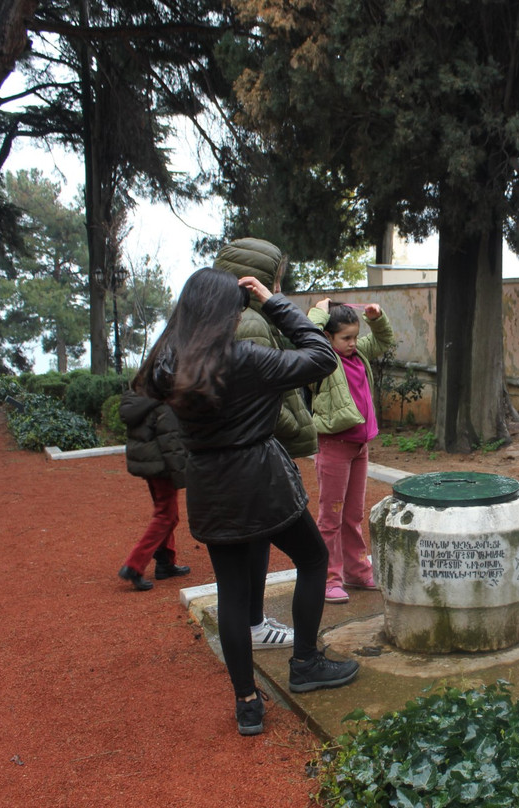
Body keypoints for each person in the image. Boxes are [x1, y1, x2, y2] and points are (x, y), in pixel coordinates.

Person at [135, 267, 358, 737]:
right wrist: (272, 301)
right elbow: (321, 356)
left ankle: (248, 704)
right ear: (229, 313)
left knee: (233, 594)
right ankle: (305, 663)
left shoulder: (168, 365)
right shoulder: (247, 359)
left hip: (212, 488)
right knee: (314, 559)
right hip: (262, 482)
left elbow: (160, 363)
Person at [213, 237, 320, 650]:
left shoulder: (225, 322)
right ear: (255, 281)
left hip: (228, 466)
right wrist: (297, 429)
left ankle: (250, 640)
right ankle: (272, 638)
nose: (279, 289)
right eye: (275, 281)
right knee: (306, 555)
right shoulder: (253, 323)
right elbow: (264, 401)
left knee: (241, 563)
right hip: (258, 461)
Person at [306, 299, 395, 604]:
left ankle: (356, 571)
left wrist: (376, 318)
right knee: (331, 516)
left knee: (353, 514)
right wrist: (318, 313)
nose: (352, 343)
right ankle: (329, 577)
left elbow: (385, 340)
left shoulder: (359, 355)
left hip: (359, 447)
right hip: (333, 446)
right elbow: (303, 337)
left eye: (356, 336)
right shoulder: (322, 360)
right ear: (328, 338)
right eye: (345, 338)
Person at [117, 390, 190, 591]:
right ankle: (134, 565)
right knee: (166, 516)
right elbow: (171, 442)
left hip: (149, 465)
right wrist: (180, 474)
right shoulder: (163, 404)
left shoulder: (141, 399)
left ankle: (166, 562)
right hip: (162, 467)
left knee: (169, 514)